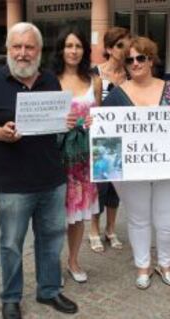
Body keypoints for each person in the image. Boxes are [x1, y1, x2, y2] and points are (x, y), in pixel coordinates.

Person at [0, 22, 78, 319]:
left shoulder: (51, 82)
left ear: (39, 51)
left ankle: (49, 291)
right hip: (12, 183)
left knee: (51, 239)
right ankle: (10, 298)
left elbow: (57, 125)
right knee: (11, 244)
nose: (23, 53)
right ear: (7, 50)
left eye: (29, 47)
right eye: (17, 47)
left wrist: (66, 122)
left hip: (51, 178)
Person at [103, 36, 170, 290]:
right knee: (138, 218)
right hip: (133, 170)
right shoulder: (117, 95)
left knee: (168, 220)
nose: (135, 63)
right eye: (130, 59)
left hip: (169, 167)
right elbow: (105, 134)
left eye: (141, 58)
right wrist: (95, 126)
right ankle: (142, 265)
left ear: (151, 60)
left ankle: (166, 264)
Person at [51, 27, 100, 283]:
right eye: (69, 46)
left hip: (84, 160)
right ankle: (54, 265)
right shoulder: (49, 80)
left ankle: (73, 260)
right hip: (57, 159)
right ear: (61, 49)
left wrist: (95, 122)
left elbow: (101, 117)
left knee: (78, 216)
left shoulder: (95, 80)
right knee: (55, 216)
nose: (73, 51)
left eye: (78, 46)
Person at [89, 27, 131, 253]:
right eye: (119, 45)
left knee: (117, 189)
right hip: (102, 140)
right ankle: (94, 229)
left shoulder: (131, 74)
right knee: (100, 188)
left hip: (125, 138)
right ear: (108, 49)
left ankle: (111, 229)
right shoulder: (95, 74)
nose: (125, 50)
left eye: (127, 44)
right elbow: (90, 107)